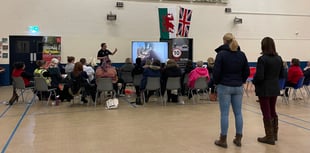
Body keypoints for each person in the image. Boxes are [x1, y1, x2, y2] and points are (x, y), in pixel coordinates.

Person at [213, 33, 250, 148]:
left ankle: (223, 139)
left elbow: (216, 72)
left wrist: (216, 83)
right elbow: (247, 72)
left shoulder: (221, 54)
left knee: (224, 113)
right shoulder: (242, 54)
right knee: (238, 113)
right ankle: (238, 138)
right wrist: (241, 80)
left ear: (224, 41)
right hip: (238, 86)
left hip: (224, 86)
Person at [253, 37, 284, 145]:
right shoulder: (279, 58)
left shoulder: (262, 59)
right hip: (275, 88)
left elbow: (260, 76)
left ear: (263, 46)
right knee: (272, 110)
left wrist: (254, 81)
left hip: (264, 89)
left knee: (266, 112)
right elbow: (282, 74)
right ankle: (274, 135)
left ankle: (269, 137)